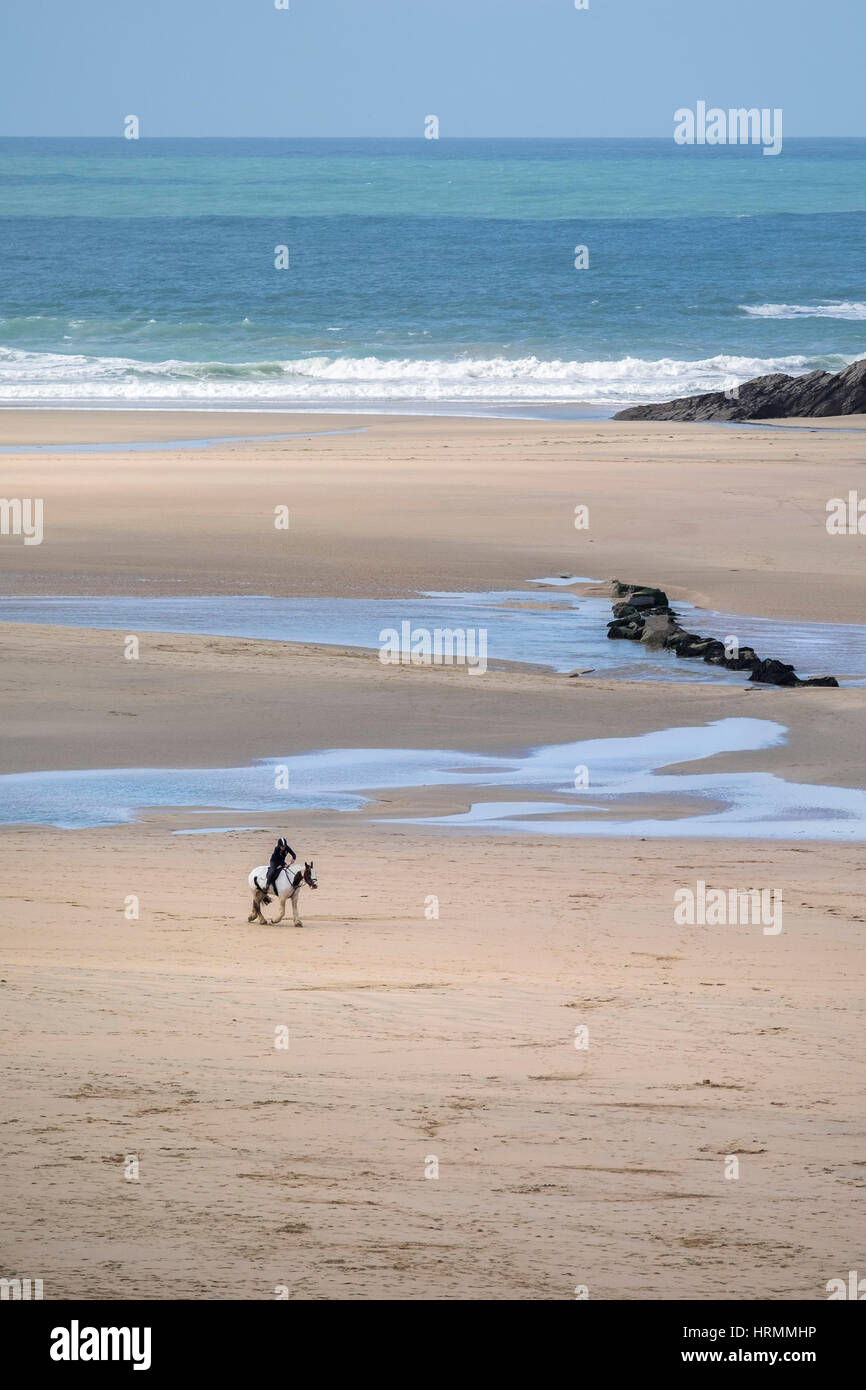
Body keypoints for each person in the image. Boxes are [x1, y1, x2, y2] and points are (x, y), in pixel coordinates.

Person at [263, 837, 296, 902]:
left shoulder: (287, 847)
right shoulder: (276, 849)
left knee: (288, 871)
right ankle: (267, 885)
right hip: (274, 862)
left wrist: (293, 859)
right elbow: (276, 859)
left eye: (284, 846)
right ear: (279, 846)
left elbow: (293, 854)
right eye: (282, 846)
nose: (283, 848)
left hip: (282, 862)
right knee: (272, 871)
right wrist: (284, 864)